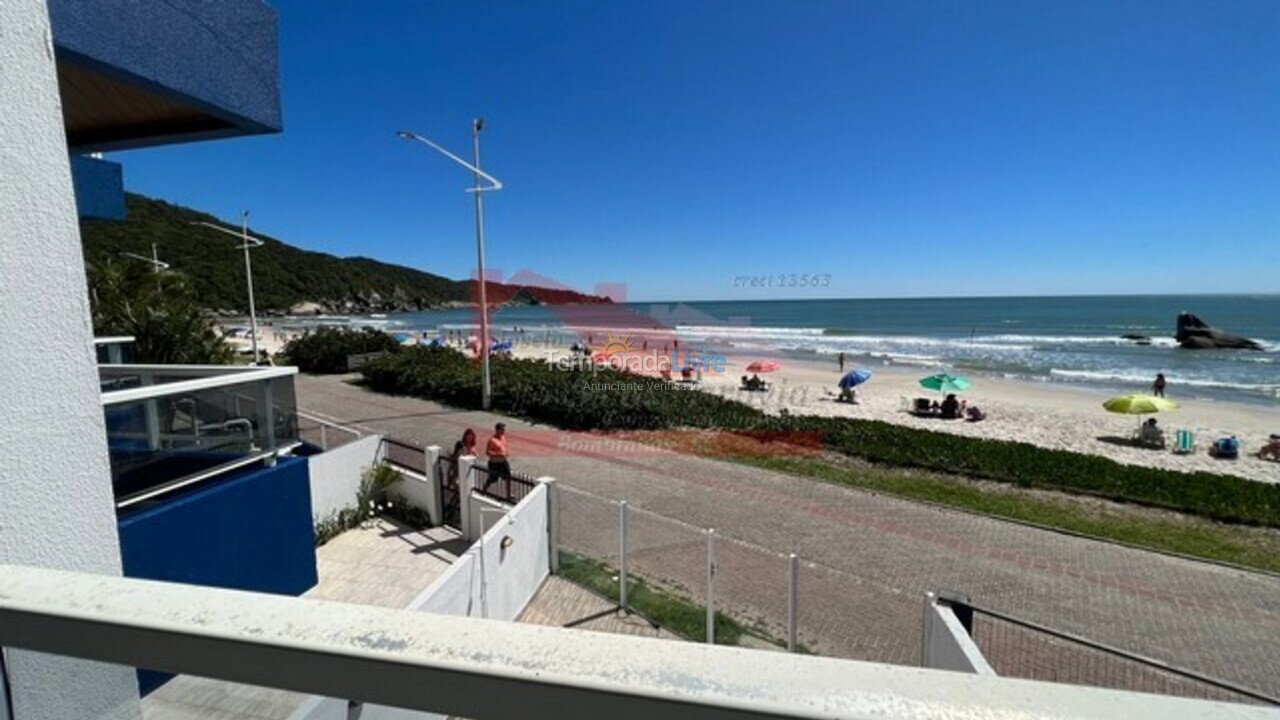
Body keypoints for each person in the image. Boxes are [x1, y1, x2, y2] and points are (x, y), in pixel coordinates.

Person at [486, 422, 511, 488]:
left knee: (508, 477)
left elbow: (504, 447)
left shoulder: (503, 437)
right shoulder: (492, 440)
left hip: (503, 462)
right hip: (494, 463)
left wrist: (506, 452)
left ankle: (508, 495)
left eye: (504, 429)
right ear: (497, 430)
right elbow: (488, 452)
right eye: (502, 429)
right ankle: (484, 490)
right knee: (492, 479)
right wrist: (498, 454)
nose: (504, 431)